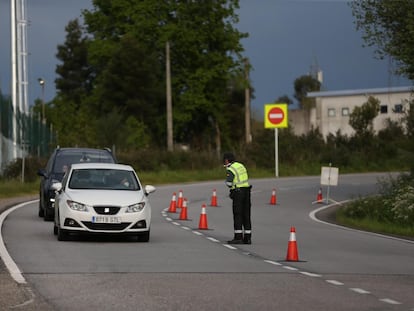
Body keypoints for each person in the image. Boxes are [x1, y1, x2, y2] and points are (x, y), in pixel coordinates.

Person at [223, 152, 252, 244]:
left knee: (237, 214)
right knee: (246, 214)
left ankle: (238, 237)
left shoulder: (230, 169)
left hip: (238, 193)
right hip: (247, 191)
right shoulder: (241, 165)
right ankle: (247, 238)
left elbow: (229, 184)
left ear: (227, 160)